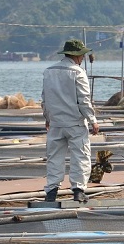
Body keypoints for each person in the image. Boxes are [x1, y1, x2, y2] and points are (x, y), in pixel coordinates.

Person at [42, 39, 99, 203]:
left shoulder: (49, 71)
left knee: (54, 158)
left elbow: (45, 98)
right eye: (82, 55)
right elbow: (84, 100)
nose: (83, 58)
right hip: (75, 123)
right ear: (77, 56)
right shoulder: (78, 72)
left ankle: (51, 192)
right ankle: (78, 191)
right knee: (81, 156)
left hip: (56, 123)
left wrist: (47, 118)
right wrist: (93, 120)